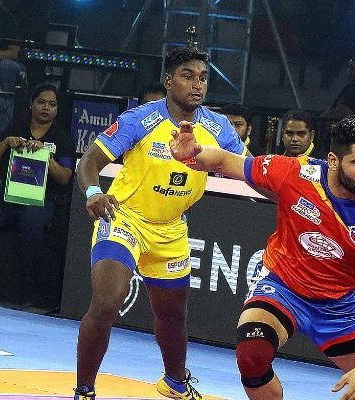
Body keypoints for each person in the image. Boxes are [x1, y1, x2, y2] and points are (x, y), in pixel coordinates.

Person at [170, 115, 355, 400]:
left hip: (339, 308)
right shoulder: (295, 173)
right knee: (252, 355)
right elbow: (223, 161)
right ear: (333, 161)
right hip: (282, 288)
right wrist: (192, 155)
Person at [73, 47, 248, 400]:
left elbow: (250, 169)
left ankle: (175, 383)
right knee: (107, 303)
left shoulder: (219, 127)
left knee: (172, 315)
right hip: (124, 217)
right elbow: (89, 161)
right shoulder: (140, 120)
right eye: (187, 76)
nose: (197, 85)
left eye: (203, 78)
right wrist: (93, 191)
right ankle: (85, 391)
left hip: (170, 228)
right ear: (168, 81)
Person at [0, 81, 75, 309]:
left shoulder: (62, 138)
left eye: (52, 104)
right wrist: (6, 143)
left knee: (32, 223)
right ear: (31, 104)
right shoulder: (15, 127)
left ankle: (29, 290)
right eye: (41, 102)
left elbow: (65, 177)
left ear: (57, 109)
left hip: (42, 200)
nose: (46, 107)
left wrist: (46, 157)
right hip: (8, 195)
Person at [0, 0, 28, 134]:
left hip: (2, 66)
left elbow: (14, 52)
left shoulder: (5, 18)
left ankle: (6, 132)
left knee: (7, 67)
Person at [321, 54, 355, 120]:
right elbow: (332, 110)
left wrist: (320, 119)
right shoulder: (347, 89)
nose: (353, 72)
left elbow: (341, 112)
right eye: (351, 68)